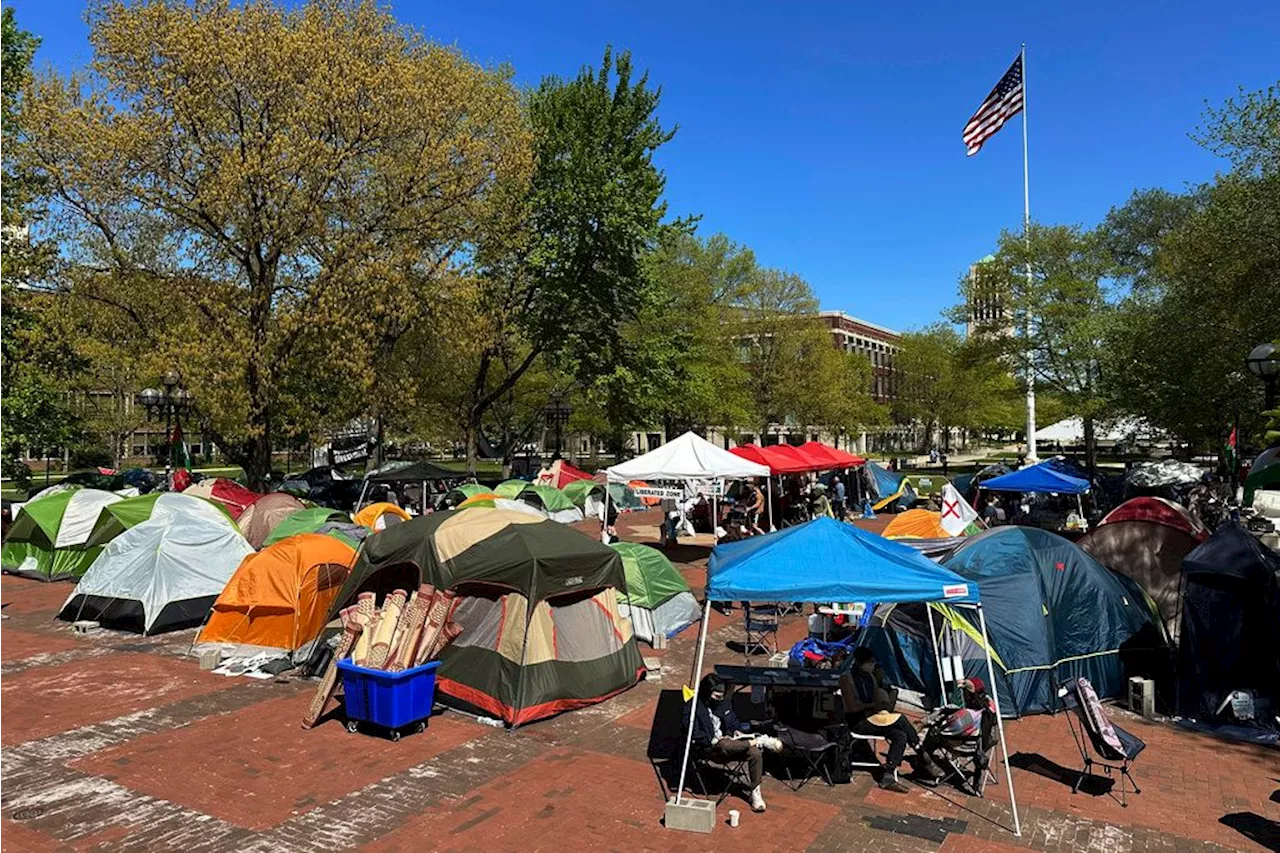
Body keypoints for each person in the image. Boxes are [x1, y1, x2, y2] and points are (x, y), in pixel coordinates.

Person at [839, 647, 941, 793]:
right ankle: (923, 756)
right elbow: (853, 707)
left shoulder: (870, 677)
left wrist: (886, 695)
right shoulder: (846, 678)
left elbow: (878, 697)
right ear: (861, 662)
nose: (873, 664)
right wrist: (874, 704)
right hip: (858, 721)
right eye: (870, 662)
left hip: (873, 716)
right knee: (901, 719)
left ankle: (888, 776)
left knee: (900, 735)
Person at [685, 674, 778, 812]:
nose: (719, 699)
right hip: (709, 748)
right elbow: (692, 733)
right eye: (716, 696)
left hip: (731, 744)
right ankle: (759, 741)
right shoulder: (692, 707)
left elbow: (733, 721)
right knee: (724, 744)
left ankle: (755, 792)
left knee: (755, 753)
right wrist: (713, 740)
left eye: (721, 696)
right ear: (707, 692)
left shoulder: (723, 703)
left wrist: (736, 731)